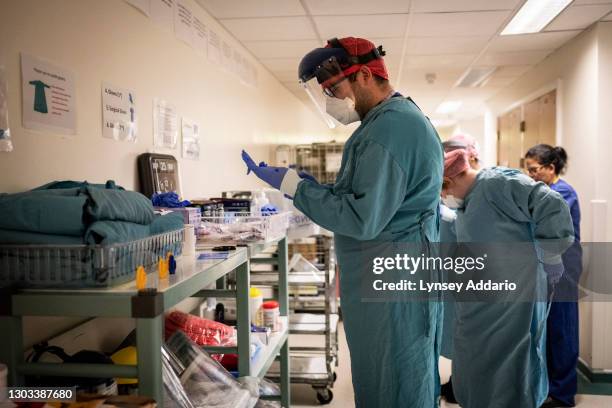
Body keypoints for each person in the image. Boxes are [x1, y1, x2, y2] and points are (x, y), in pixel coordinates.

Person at [242, 37, 444, 407]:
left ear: (365, 74)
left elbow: (361, 218)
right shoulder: (387, 123)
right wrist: (311, 187)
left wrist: (294, 187)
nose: (331, 100)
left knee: (395, 385)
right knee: (390, 378)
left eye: (334, 89)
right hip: (391, 276)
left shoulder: (391, 129)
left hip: (394, 283)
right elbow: (366, 198)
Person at [442, 149, 574, 408]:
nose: (444, 198)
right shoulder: (468, 201)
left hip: (516, 298)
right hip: (484, 300)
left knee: (513, 365)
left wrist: (551, 255)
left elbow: (551, 205)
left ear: (450, 181)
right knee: (477, 362)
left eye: (443, 191)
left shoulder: (498, 184)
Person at [525, 145, 582, 408]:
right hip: (548, 268)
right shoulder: (546, 192)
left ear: (551, 168)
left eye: (535, 170)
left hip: (564, 269)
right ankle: (550, 387)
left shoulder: (563, 194)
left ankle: (563, 395)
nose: (531, 175)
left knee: (562, 330)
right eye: (528, 170)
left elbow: (545, 225)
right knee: (548, 329)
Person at [439, 134, 481, 404]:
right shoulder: (455, 193)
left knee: (468, 336)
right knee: (457, 335)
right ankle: (458, 382)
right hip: (451, 271)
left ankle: (463, 385)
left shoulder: (485, 188)